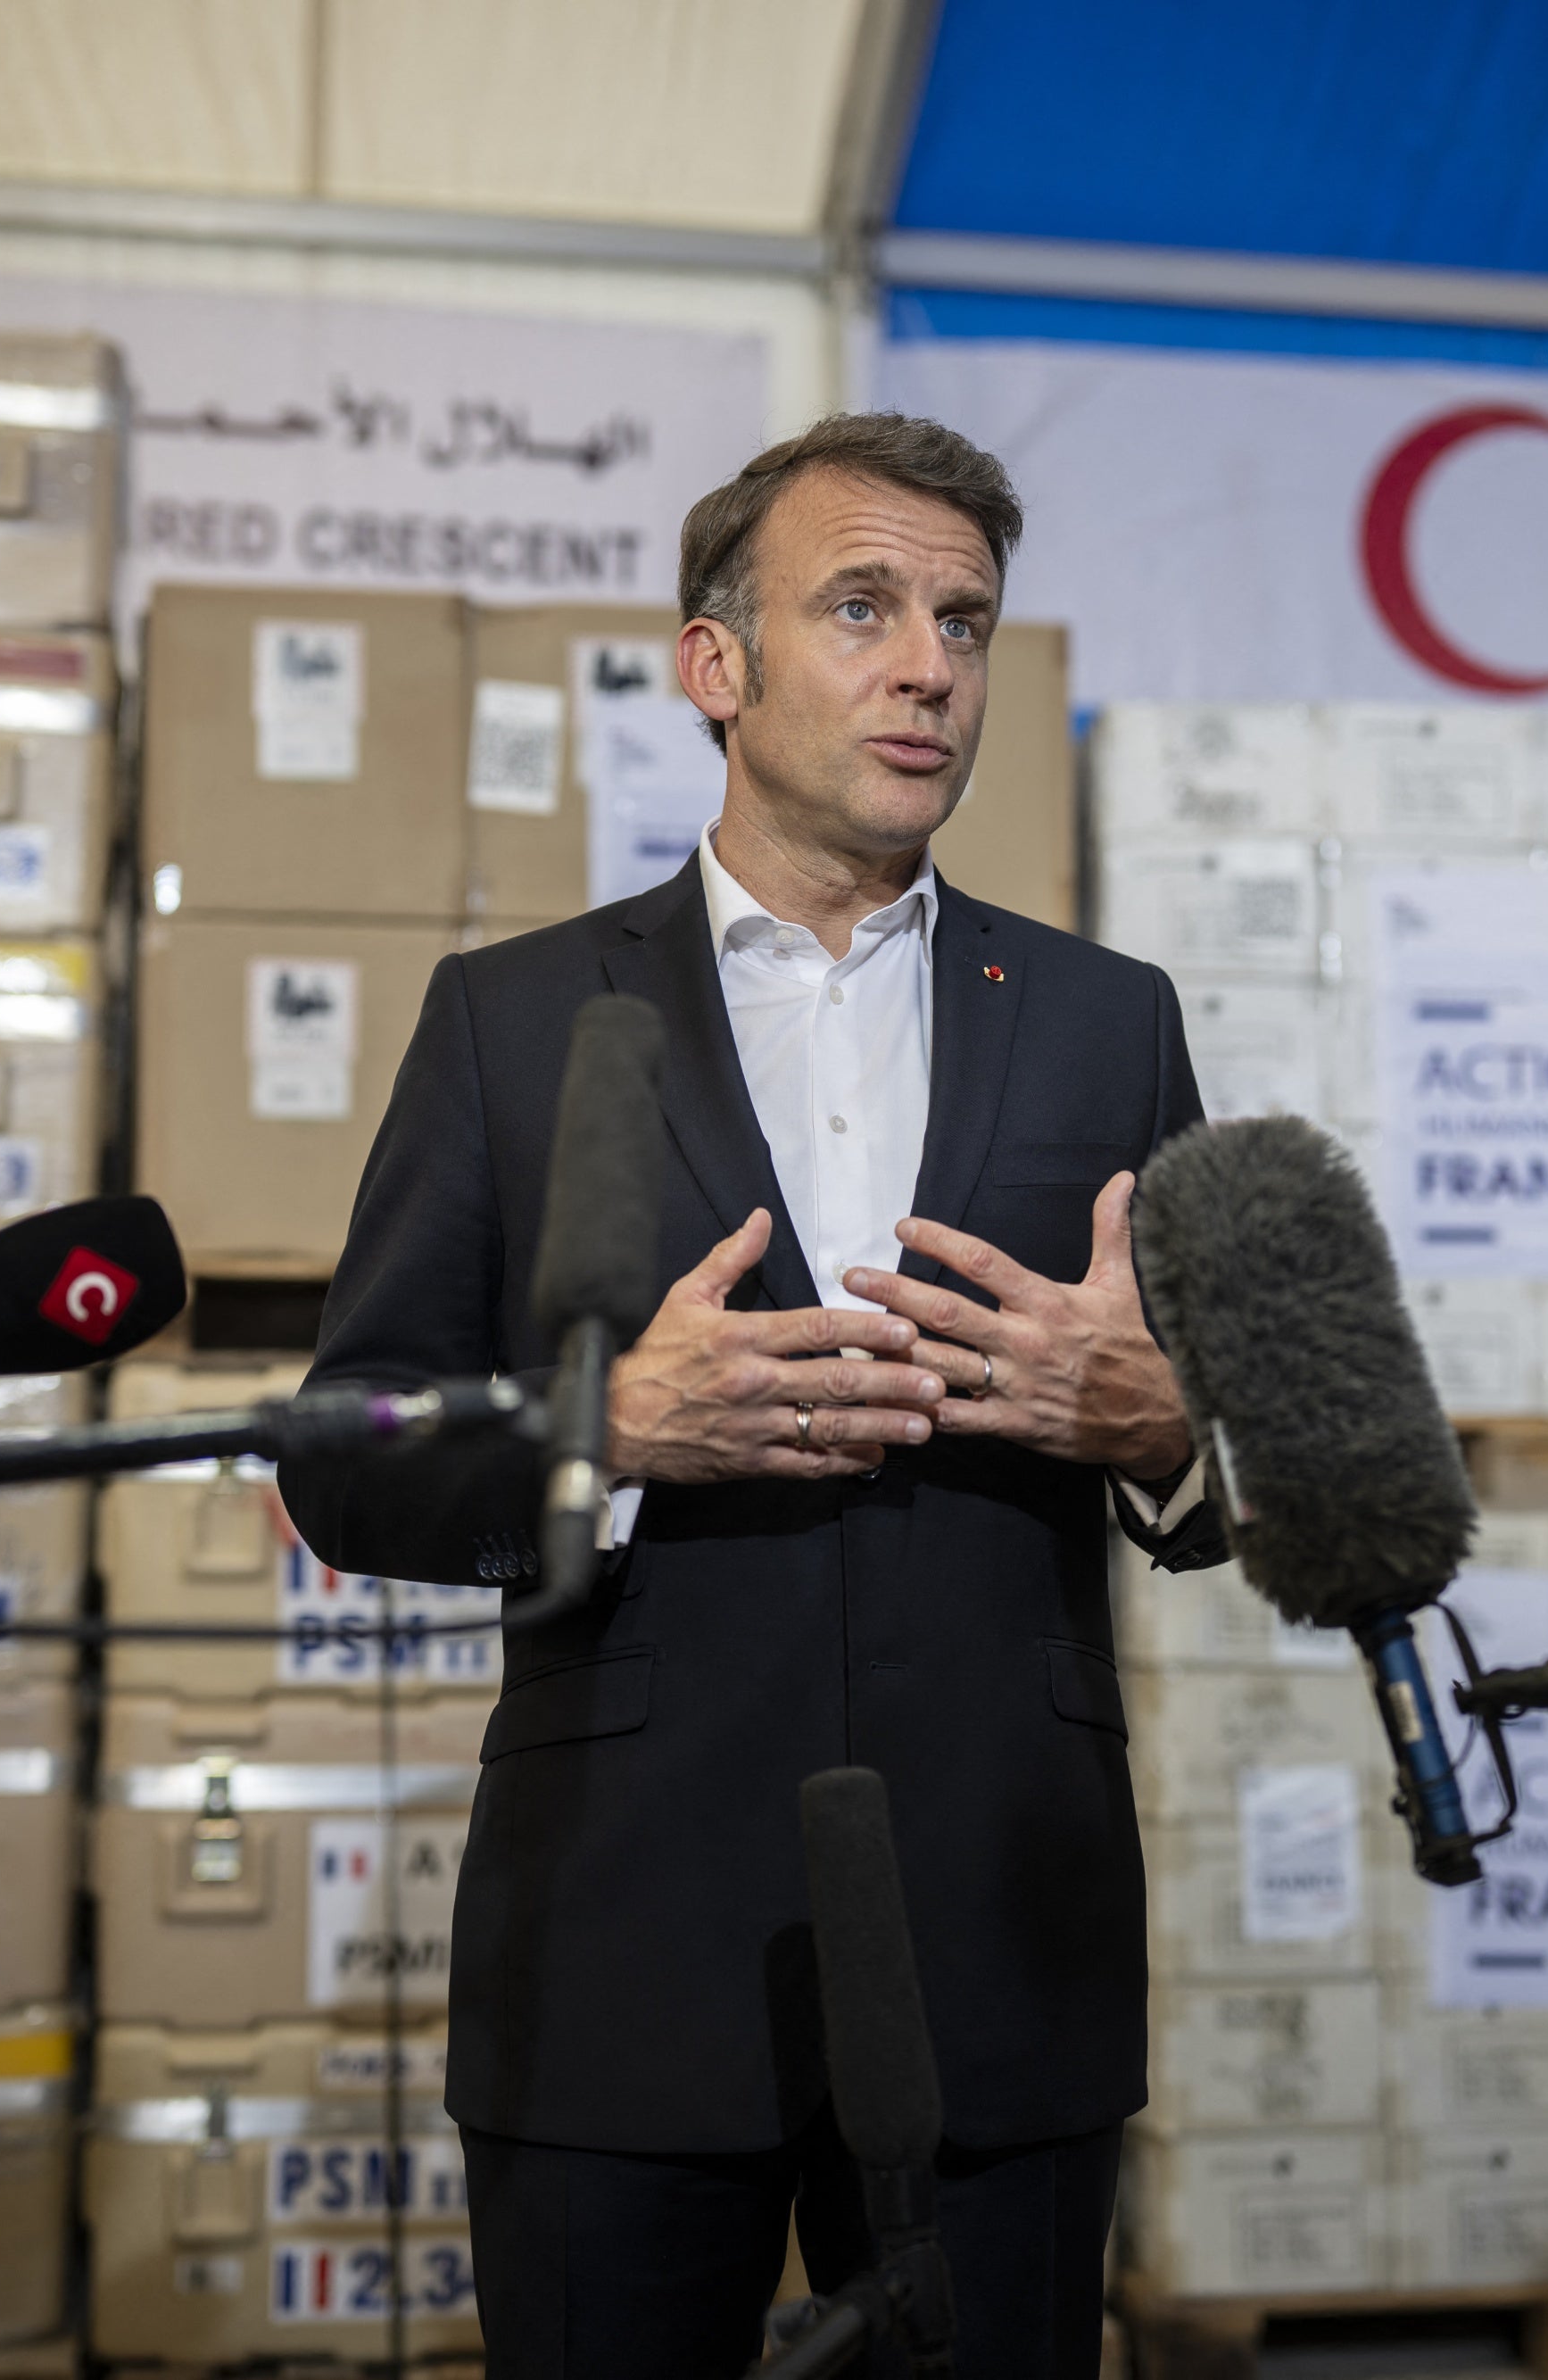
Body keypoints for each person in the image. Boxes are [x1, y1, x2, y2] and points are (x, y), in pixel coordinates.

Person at [277, 412, 1229, 2376]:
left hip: (1003, 1936)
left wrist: (1151, 1418)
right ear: (713, 664)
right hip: (626, 1951)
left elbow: (1226, 1450)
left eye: (961, 620)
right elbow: (342, 1452)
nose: (926, 665)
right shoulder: (513, 1020)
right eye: (861, 605)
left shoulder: (1104, 1021)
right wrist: (601, 1428)